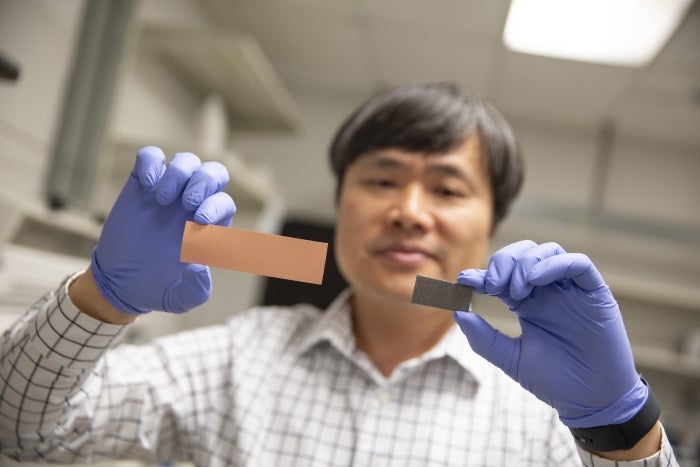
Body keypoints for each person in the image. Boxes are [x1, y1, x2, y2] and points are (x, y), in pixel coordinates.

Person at [0, 82, 678, 466]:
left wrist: (619, 425)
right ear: (339, 204)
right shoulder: (236, 357)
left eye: (446, 189)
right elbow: (20, 430)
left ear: (491, 223)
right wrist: (101, 300)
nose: (409, 212)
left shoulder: (547, 417)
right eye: (382, 179)